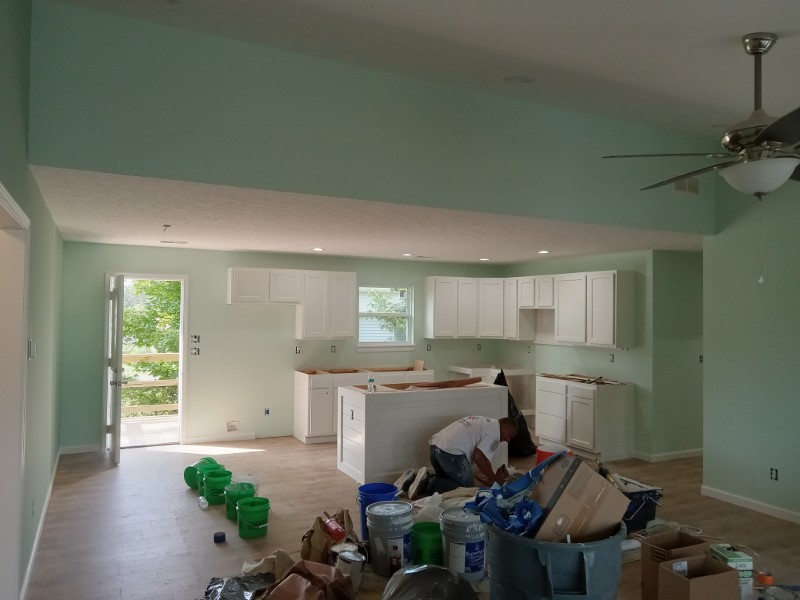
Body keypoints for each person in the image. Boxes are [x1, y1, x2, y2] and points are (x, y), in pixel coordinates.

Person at [408, 416, 519, 499]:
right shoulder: (494, 431)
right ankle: (428, 482)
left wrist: (491, 477)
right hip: (449, 454)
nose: (508, 440)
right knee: (467, 488)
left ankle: (413, 480)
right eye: (509, 435)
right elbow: (479, 457)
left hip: (435, 449)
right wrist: (494, 479)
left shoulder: (485, 422)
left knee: (451, 481)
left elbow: (482, 463)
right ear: (504, 425)